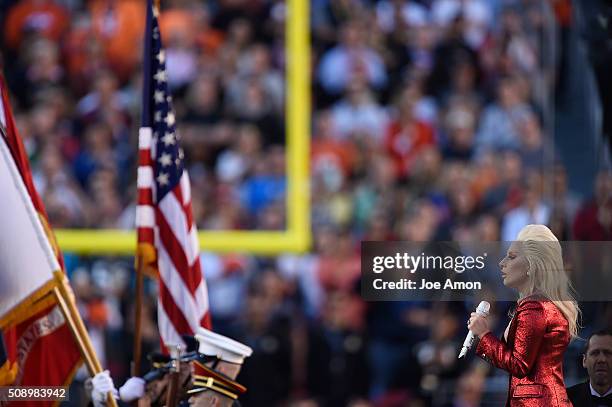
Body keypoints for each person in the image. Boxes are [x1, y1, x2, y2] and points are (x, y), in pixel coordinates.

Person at [467, 224, 580, 406]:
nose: (502, 263)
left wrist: (483, 335)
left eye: (511, 257)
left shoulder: (535, 308)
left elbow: (519, 365)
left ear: (531, 265)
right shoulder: (542, 303)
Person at [567, 329, 612, 406]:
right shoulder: (566, 398)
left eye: (608, 353)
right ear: (584, 361)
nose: (601, 360)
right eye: (595, 353)